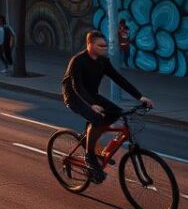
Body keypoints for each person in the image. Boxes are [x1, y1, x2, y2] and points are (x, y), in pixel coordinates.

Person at [62, 31, 154, 182]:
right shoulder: (78, 61)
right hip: (75, 97)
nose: (105, 48)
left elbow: (118, 78)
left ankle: (90, 141)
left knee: (116, 113)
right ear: (90, 45)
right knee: (98, 119)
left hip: (91, 95)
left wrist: (140, 96)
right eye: (101, 46)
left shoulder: (103, 61)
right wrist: (92, 105)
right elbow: (77, 86)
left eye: (106, 46)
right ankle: (90, 155)